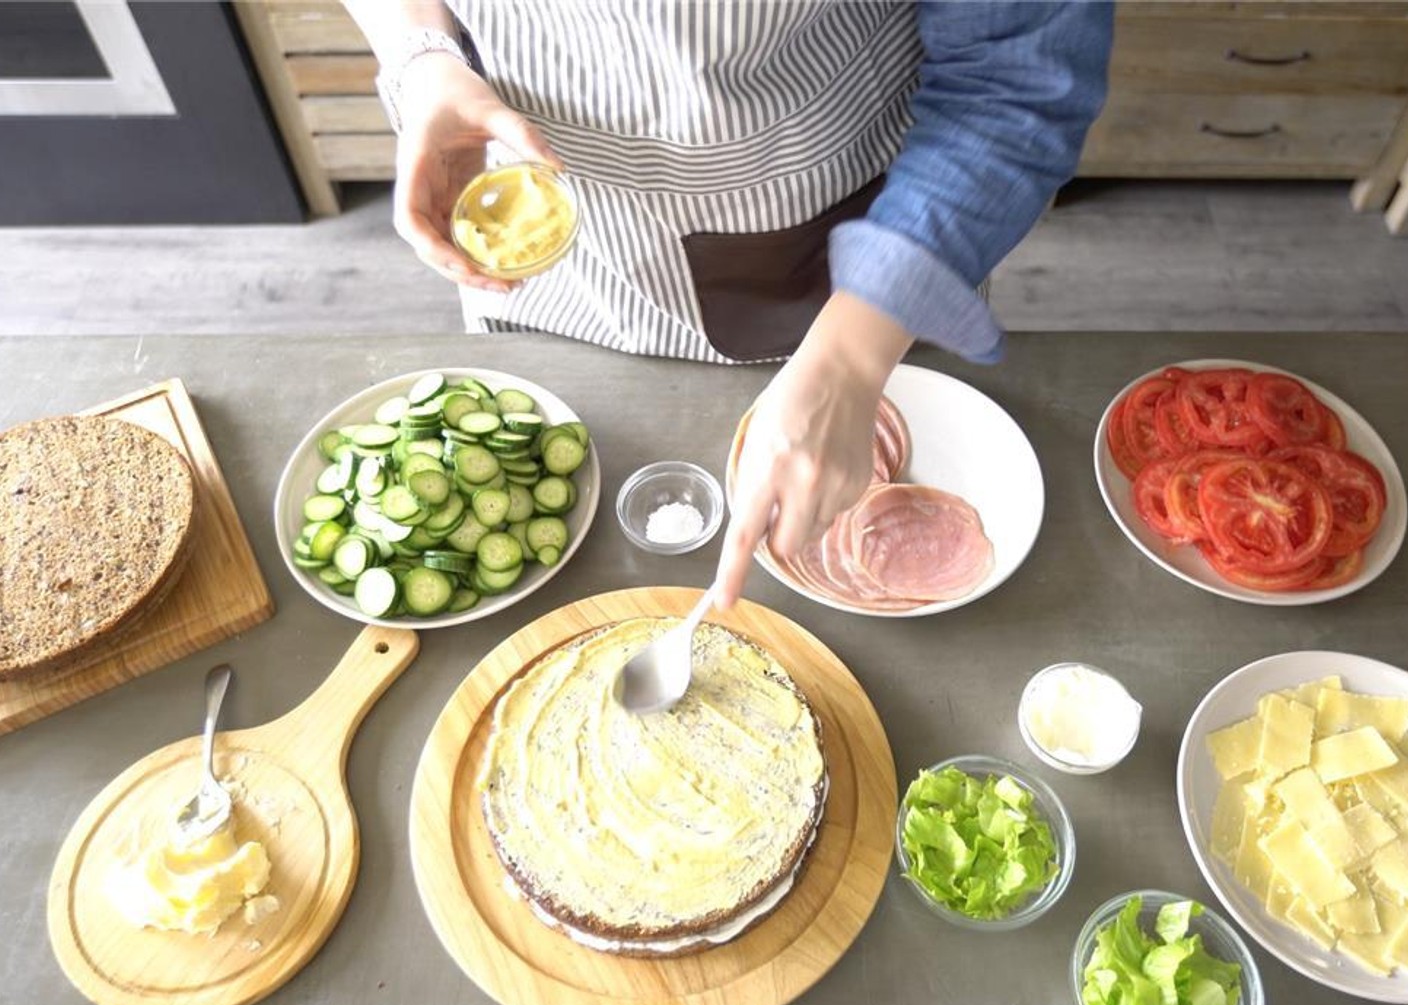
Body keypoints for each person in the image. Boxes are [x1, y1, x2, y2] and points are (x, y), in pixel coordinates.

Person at [344, 0, 1113, 609]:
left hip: (839, 228)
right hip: (537, 228)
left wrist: (850, 358)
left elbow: (1017, 74)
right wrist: (421, 56)